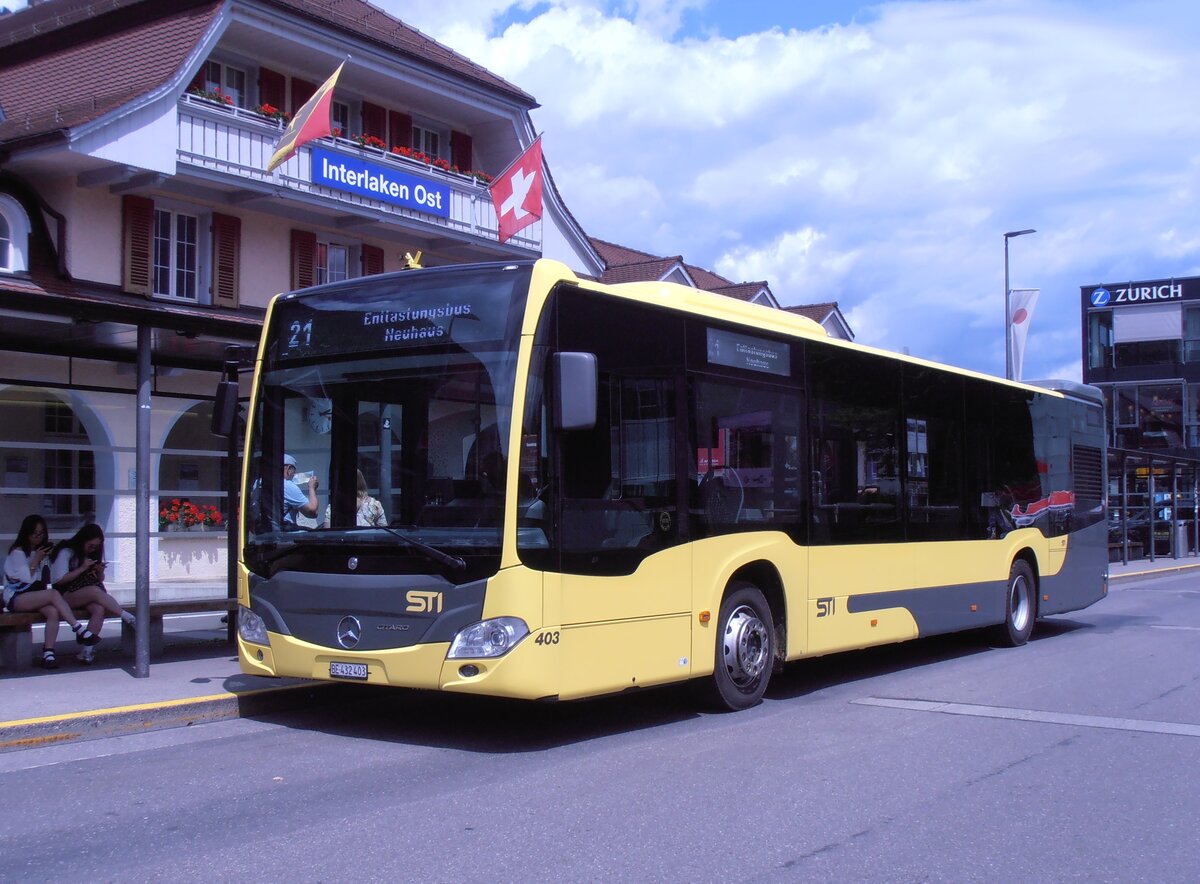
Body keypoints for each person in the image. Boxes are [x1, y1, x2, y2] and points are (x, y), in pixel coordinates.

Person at [3, 514, 100, 669]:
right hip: (16, 597)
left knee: (53, 612)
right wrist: (36, 560)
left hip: (34, 596)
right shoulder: (18, 552)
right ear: (26, 534)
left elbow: (43, 580)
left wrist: (44, 560)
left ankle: (48, 653)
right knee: (53, 594)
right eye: (34, 534)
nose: (38, 538)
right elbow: (25, 579)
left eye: (41, 534)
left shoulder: (39, 552)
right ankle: (78, 628)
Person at [49, 523, 135, 665]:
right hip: (64, 595)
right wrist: (82, 568)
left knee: (99, 609)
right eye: (91, 546)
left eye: (96, 547)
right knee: (95, 591)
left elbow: (98, 580)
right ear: (83, 540)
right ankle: (127, 617)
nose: (93, 549)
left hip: (84, 593)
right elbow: (59, 580)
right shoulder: (66, 552)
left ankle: (87, 650)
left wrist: (99, 571)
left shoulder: (90, 555)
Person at [283, 453, 319, 528]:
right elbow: (312, 512)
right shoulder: (288, 486)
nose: (294, 474)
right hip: (283, 532)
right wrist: (312, 488)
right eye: (294, 470)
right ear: (289, 469)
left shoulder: (258, 482)